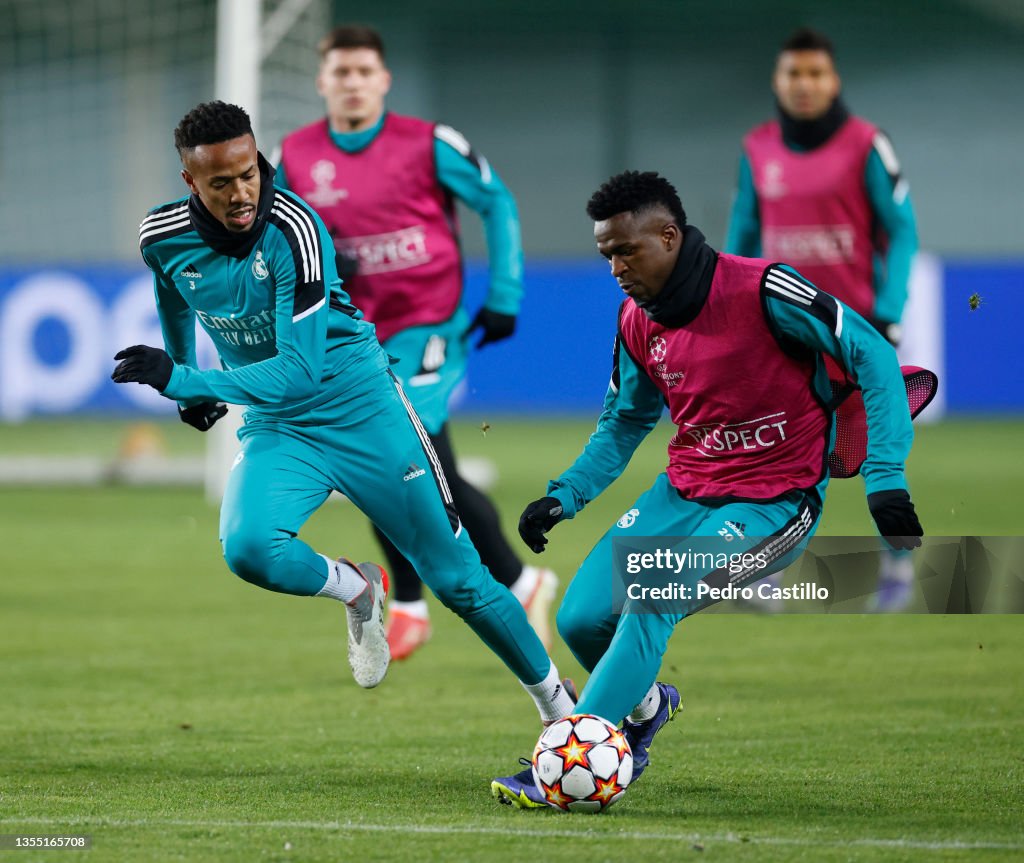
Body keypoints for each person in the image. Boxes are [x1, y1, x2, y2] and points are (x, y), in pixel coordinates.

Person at [113, 101, 576, 729]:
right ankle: (358, 589)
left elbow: (299, 371)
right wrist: (186, 377)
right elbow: (174, 290)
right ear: (190, 183)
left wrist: (183, 377)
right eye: (221, 183)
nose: (243, 191)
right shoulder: (161, 236)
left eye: (249, 172)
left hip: (360, 407)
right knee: (249, 548)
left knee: (457, 580)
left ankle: (561, 710)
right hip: (280, 426)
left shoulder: (293, 228)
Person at [491, 170, 923, 808]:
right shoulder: (636, 319)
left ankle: (566, 762)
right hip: (684, 489)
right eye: (605, 254)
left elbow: (871, 355)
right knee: (581, 619)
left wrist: (885, 480)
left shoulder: (765, 290)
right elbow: (626, 420)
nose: (614, 266)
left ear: (668, 236)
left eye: (625, 250)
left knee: (651, 597)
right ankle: (644, 711)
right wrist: (568, 494)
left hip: (774, 504)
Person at [274, 24, 556, 660]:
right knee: (410, 462)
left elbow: (497, 201)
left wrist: (505, 293)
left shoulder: (428, 143)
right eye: (340, 73)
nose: (351, 83)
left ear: (383, 80)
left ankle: (416, 600)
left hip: (426, 325)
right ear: (322, 82)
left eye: (363, 72)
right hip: (353, 338)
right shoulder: (294, 155)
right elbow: (284, 242)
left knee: (391, 445)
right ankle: (512, 582)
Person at [725, 27, 920, 611]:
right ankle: (764, 570)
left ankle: (898, 564)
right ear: (777, 81)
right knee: (776, 454)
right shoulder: (756, 148)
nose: (804, 85)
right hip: (780, 331)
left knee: (875, 449)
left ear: (833, 80)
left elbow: (903, 230)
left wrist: (887, 313)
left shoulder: (866, 145)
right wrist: (728, 305)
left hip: (853, 330)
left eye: (815, 74)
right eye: (793, 74)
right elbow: (742, 235)